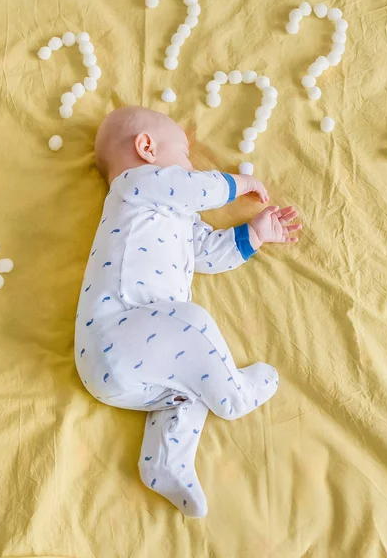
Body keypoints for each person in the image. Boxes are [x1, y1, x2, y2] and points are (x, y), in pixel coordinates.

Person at [75, 106, 301, 517]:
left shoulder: (176, 216)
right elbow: (193, 188)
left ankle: (165, 463)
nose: (190, 168)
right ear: (146, 148)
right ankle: (233, 394)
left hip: (137, 367)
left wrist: (255, 233)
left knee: (192, 381)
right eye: (184, 157)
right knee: (192, 323)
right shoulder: (134, 185)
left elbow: (209, 253)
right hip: (117, 334)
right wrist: (240, 184)